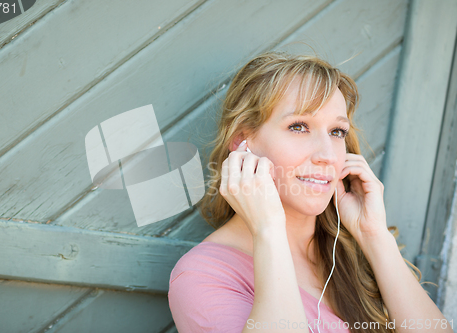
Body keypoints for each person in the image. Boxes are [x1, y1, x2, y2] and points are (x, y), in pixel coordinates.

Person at [168, 51, 452, 332]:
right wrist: (268, 229)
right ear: (243, 141)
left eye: (337, 132)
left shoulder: (353, 251)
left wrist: (374, 236)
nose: (327, 155)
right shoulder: (203, 275)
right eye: (299, 126)